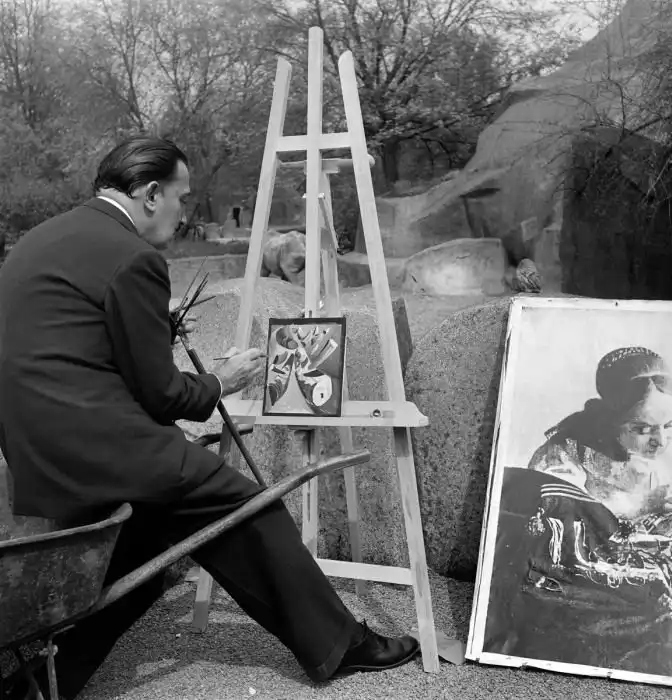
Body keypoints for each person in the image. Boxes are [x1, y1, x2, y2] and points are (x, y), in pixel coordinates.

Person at [0, 136, 419, 700]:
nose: (183, 213)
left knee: (148, 546)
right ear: (151, 194)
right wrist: (223, 380)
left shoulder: (41, 239)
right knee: (247, 506)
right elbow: (162, 395)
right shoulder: (133, 257)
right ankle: (340, 645)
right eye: (181, 197)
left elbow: (74, 344)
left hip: (33, 448)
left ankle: (42, 686)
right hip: (97, 444)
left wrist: (158, 331)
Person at [528, 346, 672, 523]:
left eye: (669, 425)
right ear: (611, 421)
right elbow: (557, 517)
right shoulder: (565, 454)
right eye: (642, 429)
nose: (661, 441)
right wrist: (642, 506)